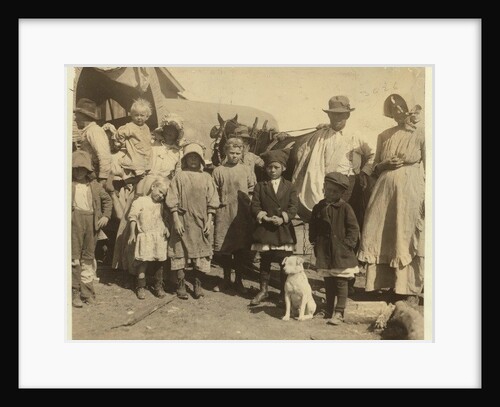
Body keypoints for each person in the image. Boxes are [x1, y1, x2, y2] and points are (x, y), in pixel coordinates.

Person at [357, 94, 425, 304]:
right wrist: (384, 165)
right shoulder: (384, 135)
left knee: (403, 232)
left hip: (410, 188)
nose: (397, 110)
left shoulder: (421, 133)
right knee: (379, 231)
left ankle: (405, 287)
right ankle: (381, 284)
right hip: (384, 190)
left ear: (407, 107)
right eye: (392, 108)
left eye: (400, 106)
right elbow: (375, 164)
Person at [292, 95, 374, 222]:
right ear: (329, 115)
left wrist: (365, 172)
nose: (337, 118)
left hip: (348, 185)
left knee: (344, 220)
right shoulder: (320, 136)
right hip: (324, 184)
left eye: (341, 115)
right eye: (333, 114)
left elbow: (372, 154)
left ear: (347, 115)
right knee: (325, 219)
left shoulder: (356, 135)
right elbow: (302, 153)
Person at [166, 143, 220, 300]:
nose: (193, 160)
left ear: (201, 160)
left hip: (201, 221)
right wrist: (176, 219)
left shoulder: (206, 178)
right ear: (185, 159)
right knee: (179, 252)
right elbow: (172, 199)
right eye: (190, 157)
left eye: (196, 157)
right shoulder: (180, 177)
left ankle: (198, 284)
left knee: (201, 252)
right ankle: (181, 284)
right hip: (183, 220)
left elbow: (212, 200)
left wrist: (209, 221)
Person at [309, 172, 360, 325]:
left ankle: (339, 311)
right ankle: (328, 308)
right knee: (329, 281)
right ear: (324, 187)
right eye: (329, 190)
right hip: (324, 250)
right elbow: (313, 226)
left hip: (341, 251)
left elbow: (353, 228)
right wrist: (314, 241)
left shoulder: (345, 208)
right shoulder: (319, 207)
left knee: (341, 281)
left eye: (335, 192)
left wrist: (347, 244)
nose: (331, 194)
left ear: (342, 193)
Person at [249, 149, 298, 306]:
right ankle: (263, 290)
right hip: (266, 229)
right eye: (270, 167)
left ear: (283, 168)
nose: (273, 170)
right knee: (265, 260)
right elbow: (254, 205)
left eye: (276, 167)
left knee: (284, 261)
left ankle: (284, 293)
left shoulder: (290, 187)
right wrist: (263, 216)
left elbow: (293, 207)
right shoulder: (260, 186)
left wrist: (283, 218)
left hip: (282, 230)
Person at [212, 137, 255, 294]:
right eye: (231, 153)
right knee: (225, 248)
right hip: (224, 213)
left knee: (240, 248)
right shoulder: (218, 171)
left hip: (241, 215)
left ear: (242, 153)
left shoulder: (246, 170)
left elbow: (252, 188)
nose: (234, 156)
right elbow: (213, 192)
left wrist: (248, 206)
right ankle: (225, 280)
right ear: (225, 152)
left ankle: (238, 281)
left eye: (238, 153)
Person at [71, 150, 112, 307]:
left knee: (88, 257)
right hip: (74, 222)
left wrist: (105, 216)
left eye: (82, 169)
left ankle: (87, 291)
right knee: (74, 258)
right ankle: (74, 291)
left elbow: (107, 200)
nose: (78, 172)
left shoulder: (94, 186)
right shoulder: (69, 184)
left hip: (91, 223)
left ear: (88, 170)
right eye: (75, 168)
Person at [128, 179, 170, 300]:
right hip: (145, 235)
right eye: (160, 192)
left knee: (159, 262)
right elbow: (133, 217)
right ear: (153, 187)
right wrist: (132, 233)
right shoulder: (141, 201)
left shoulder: (161, 205)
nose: (161, 196)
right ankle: (141, 286)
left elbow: (163, 218)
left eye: (163, 195)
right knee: (143, 261)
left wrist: (166, 227)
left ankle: (158, 286)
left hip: (159, 236)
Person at [114, 98, 153, 196]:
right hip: (135, 155)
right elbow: (120, 133)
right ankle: (138, 195)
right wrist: (122, 142)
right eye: (136, 115)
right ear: (131, 115)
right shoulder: (130, 126)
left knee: (143, 176)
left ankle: (123, 184)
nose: (139, 118)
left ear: (147, 116)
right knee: (141, 176)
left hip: (145, 156)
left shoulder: (146, 127)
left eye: (142, 115)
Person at [74, 98, 112, 185]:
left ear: (84, 116)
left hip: (97, 175)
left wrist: (103, 179)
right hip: (91, 174)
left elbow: (104, 155)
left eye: (77, 115)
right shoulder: (88, 131)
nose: (75, 118)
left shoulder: (94, 131)